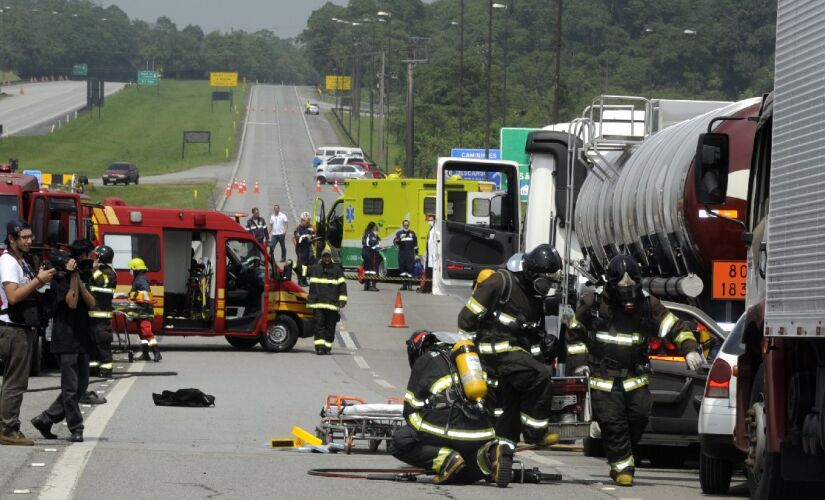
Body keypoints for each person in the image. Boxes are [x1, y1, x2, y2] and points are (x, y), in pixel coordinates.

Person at [565, 254, 703, 487]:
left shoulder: (649, 304)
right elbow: (574, 334)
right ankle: (622, 468)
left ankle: (621, 454)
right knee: (614, 422)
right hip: (603, 378)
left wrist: (690, 349)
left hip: (634, 377)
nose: (628, 294)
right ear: (611, 284)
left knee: (639, 417)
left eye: (632, 287)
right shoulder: (594, 304)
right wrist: (580, 364)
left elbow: (676, 327)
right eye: (623, 288)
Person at [457, 244, 563, 448]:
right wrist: (472, 357)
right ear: (532, 274)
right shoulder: (500, 282)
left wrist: (545, 349)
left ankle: (502, 456)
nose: (546, 290)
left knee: (509, 413)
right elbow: (465, 319)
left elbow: (528, 346)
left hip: (513, 359)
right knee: (539, 375)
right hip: (493, 354)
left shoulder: (534, 299)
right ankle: (535, 432)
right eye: (544, 284)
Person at [392, 330, 514, 487]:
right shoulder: (475, 360)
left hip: (446, 431)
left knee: (400, 441)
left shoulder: (425, 360)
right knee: (459, 474)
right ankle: (490, 456)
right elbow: (496, 402)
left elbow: (410, 409)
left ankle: (445, 460)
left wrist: (420, 433)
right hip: (482, 434)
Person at [30, 240, 96, 443]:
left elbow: (91, 303)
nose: (91, 259)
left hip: (82, 338)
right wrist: (72, 275)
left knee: (82, 385)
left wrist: (79, 278)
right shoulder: (60, 278)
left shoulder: (84, 275)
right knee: (70, 387)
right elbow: (72, 302)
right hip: (65, 337)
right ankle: (77, 428)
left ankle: (46, 418)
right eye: (88, 256)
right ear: (80, 256)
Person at [0, 220, 55, 446]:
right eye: (24, 237)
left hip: (20, 327)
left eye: (30, 236)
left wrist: (38, 279)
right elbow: (13, 296)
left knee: (13, 381)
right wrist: (38, 281)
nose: (29, 240)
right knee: (15, 382)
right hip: (12, 329)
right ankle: (9, 430)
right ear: (11, 239)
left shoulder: (21, 260)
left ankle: (6, 426)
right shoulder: (8, 261)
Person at [306, 249, 347, 355]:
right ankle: (319, 347)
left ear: (330, 257)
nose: (326, 258)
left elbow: (342, 286)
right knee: (319, 326)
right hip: (318, 304)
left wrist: (342, 300)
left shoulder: (337, 270)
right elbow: (303, 270)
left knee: (330, 327)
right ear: (322, 257)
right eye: (324, 257)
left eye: (328, 256)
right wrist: (292, 264)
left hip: (332, 305)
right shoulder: (315, 268)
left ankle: (327, 347)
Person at [86, 245, 117, 378]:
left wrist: (94, 268)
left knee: (102, 344)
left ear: (101, 257)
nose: (94, 258)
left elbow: (101, 282)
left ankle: (106, 370)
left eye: (96, 256)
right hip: (92, 315)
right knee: (92, 344)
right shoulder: (98, 270)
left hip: (101, 316)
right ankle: (92, 369)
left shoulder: (109, 272)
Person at [128, 258, 161, 362]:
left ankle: (156, 352)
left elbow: (146, 294)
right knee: (142, 334)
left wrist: (133, 295)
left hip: (144, 313)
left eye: (131, 269)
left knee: (147, 332)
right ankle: (146, 354)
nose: (130, 271)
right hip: (140, 312)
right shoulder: (138, 279)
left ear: (136, 269)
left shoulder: (141, 280)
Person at [393, 220, 418, 291]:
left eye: (407, 225)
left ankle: (410, 286)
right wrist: (400, 238)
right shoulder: (399, 233)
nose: (406, 226)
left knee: (410, 269)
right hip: (402, 254)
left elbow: (415, 245)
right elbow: (395, 242)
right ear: (402, 225)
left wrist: (416, 254)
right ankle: (404, 285)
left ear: (409, 225)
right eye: (404, 225)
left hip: (410, 254)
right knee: (403, 270)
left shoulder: (412, 233)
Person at [293, 212, 314, 287]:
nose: (308, 222)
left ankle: (304, 279)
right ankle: (300, 280)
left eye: (309, 221)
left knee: (305, 266)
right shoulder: (298, 228)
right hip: (300, 250)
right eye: (307, 221)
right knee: (300, 265)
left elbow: (313, 234)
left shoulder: (309, 227)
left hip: (307, 248)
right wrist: (306, 237)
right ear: (302, 220)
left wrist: (313, 238)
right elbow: (298, 238)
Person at [418, 216, 436, 293]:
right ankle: (426, 288)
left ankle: (429, 288)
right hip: (429, 255)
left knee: (431, 273)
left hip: (433, 256)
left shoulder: (435, 230)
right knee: (428, 273)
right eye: (429, 220)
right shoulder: (431, 229)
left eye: (431, 220)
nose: (429, 221)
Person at [361, 221, 380, 291]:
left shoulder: (365, 233)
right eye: (375, 227)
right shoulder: (371, 234)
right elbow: (371, 243)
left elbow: (364, 243)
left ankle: (366, 285)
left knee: (367, 269)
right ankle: (371, 286)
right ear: (373, 227)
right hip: (369, 252)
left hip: (364, 251)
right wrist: (377, 246)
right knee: (371, 269)